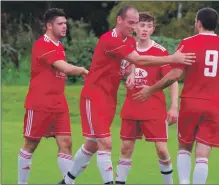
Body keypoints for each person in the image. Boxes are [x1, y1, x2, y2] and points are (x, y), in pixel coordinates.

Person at [58, 5, 195, 184]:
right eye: (131, 23)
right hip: (94, 96)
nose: (135, 27)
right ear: (119, 20)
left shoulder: (129, 40)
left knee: (92, 144)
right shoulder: (110, 40)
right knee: (106, 143)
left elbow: (132, 62)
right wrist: (173, 58)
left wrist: (130, 73)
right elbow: (138, 59)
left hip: (110, 99)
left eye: (137, 23)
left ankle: (67, 181)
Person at [133, 7, 219, 184]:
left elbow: (175, 75)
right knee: (202, 155)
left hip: (191, 103)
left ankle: (183, 182)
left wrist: (151, 89)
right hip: (215, 105)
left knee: (184, 147)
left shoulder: (188, 43)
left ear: (198, 23)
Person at [18, 8, 88, 184]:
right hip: (40, 103)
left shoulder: (59, 45)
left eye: (65, 23)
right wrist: (82, 70)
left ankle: (67, 183)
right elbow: (64, 68)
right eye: (60, 23)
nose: (65, 27)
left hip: (58, 103)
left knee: (66, 143)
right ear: (49, 25)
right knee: (30, 145)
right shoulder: (43, 44)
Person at [115, 12, 179, 185]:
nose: (144, 29)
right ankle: (119, 182)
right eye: (141, 25)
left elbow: (172, 79)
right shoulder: (126, 48)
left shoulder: (160, 52)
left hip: (154, 109)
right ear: (134, 27)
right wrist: (128, 76)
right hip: (131, 107)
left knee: (162, 151)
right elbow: (123, 70)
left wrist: (174, 106)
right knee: (125, 148)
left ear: (153, 29)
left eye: (148, 26)